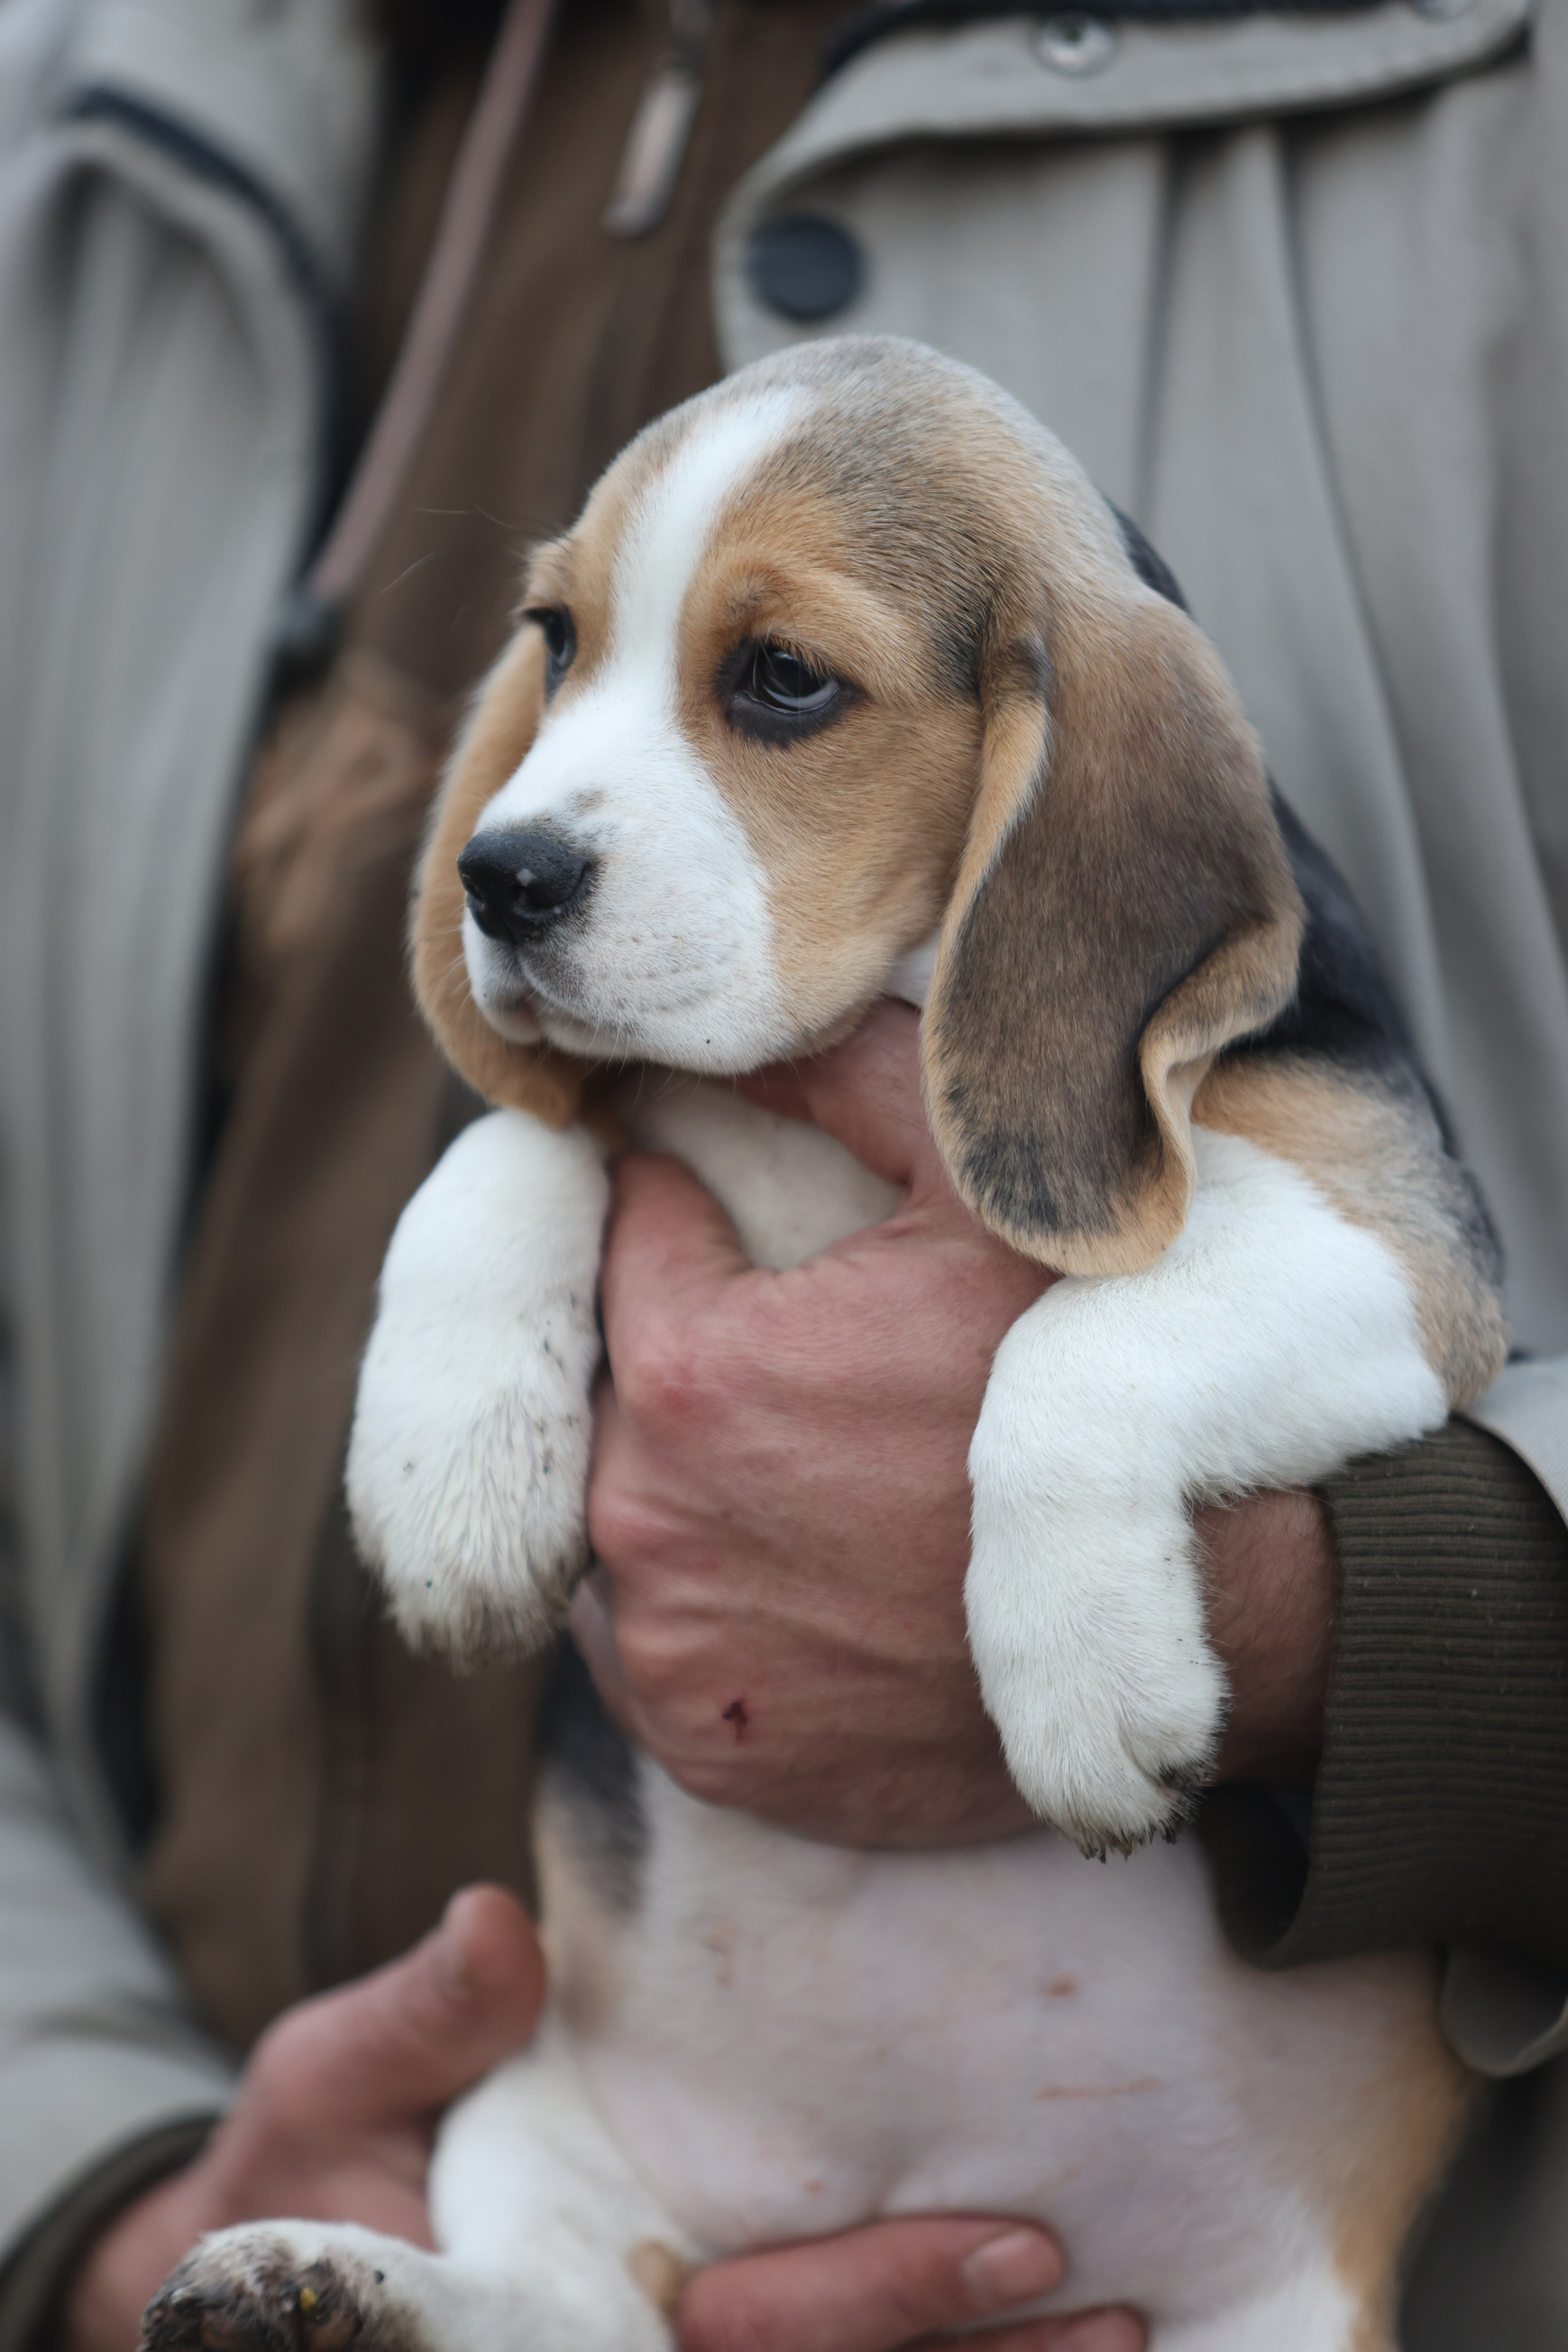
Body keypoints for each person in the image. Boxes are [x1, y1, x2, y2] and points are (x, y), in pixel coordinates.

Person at [2, 1, 1566, 2347]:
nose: (530, 817)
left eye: (781, 687)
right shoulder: (97, 110)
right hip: (535, 2142)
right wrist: (85, 2192)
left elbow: (1352, 1249)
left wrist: (1361, 1621)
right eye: (560, 654)